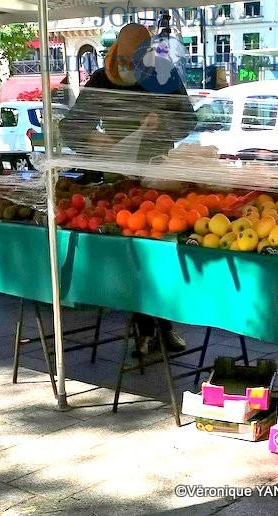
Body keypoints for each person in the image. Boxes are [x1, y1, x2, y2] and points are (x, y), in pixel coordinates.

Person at [60, 23, 196, 356]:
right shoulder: (103, 79)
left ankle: (163, 324)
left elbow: (188, 120)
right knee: (135, 258)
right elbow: (73, 126)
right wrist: (94, 139)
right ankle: (145, 328)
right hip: (119, 180)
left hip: (161, 178)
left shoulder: (164, 76)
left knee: (161, 253)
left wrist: (161, 123)